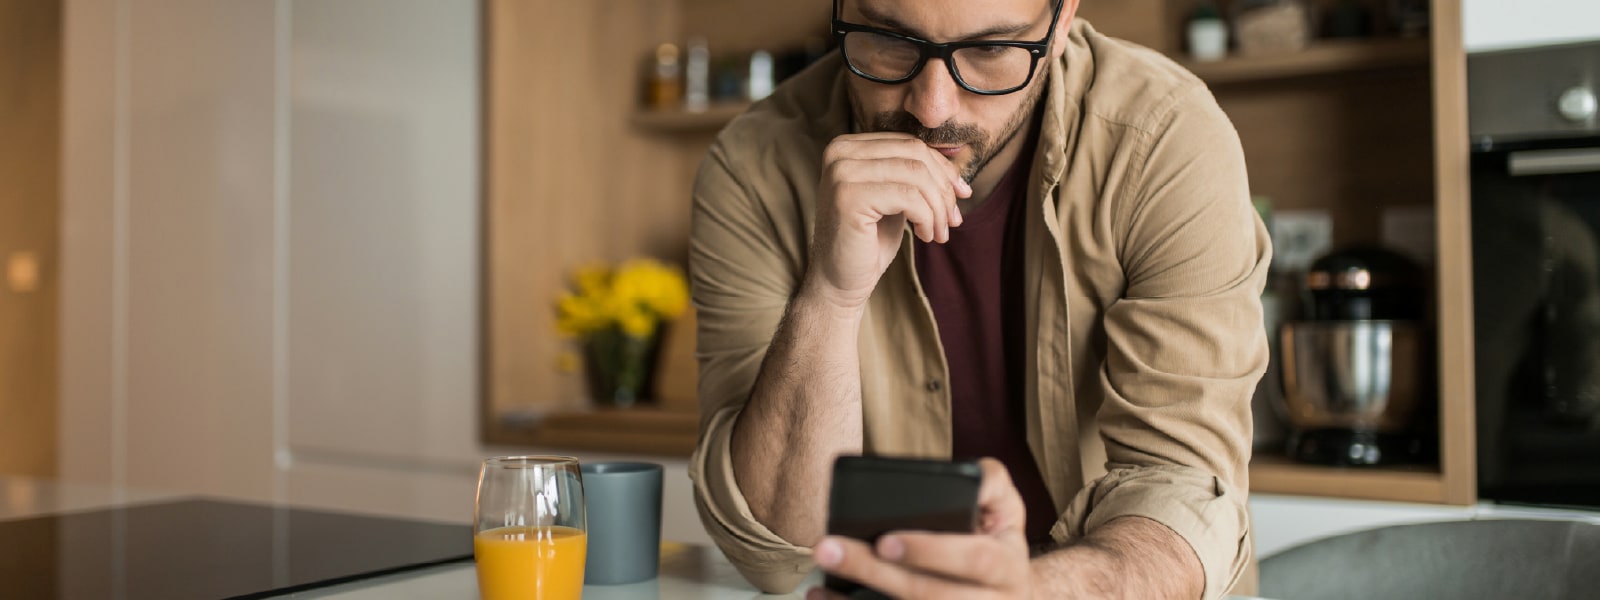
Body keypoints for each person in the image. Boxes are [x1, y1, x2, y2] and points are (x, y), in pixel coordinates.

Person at [687, 0, 1270, 597]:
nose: (931, 108)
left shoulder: (1164, 137)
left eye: (991, 49)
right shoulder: (753, 166)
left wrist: (1031, 592)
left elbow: (1181, 492)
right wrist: (830, 295)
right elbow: (772, 551)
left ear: (1062, 19)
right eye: (889, 39)